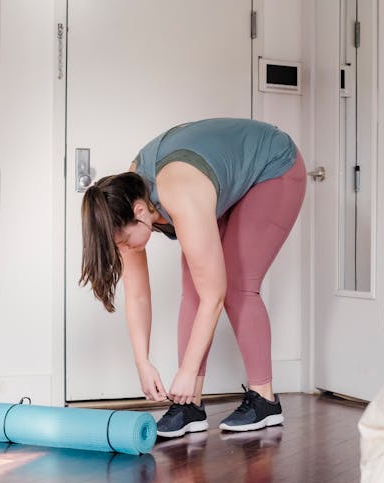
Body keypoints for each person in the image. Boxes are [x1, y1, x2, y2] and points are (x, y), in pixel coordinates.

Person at [80, 118, 306, 438]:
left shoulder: (180, 194)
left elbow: (215, 294)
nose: (124, 250)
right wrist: (142, 362)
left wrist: (185, 371)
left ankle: (265, 400)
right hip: (219, 178)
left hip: (272, 167)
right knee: (192, 288)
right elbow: (138, 295)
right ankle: (190, 405)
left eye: (124, 242)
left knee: (236, 284)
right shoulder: (123, 201)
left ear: (142, 212)